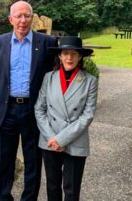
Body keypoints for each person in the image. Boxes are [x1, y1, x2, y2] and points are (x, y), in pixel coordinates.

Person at [0, 0, 56, 200]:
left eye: (27, 15)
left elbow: (52, 76)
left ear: (32, 18)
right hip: (7, 110)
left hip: (33, 110)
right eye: (18, 16)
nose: (23, 20)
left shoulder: (47, 43)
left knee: (33, 160)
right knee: (4, 160)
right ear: (11, 19)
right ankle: (4, 197)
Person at [34, 36, 98, 201]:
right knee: (52, 186)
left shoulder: (90, 81)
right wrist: (52, 138)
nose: (69, 58)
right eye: (65, 53)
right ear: (60, 56)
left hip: (75, 140)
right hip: (50, 141)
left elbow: (87, 115)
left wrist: (62, 139)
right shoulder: (48, 78)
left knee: (71, 190)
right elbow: (39, 109)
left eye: (74, 54)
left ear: (80, 57)